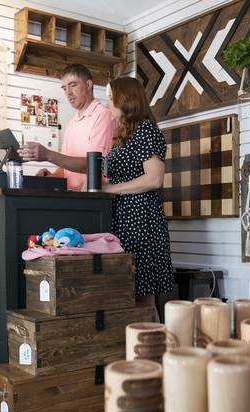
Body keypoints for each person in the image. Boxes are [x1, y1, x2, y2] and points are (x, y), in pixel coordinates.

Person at [103, 77, 174, 308]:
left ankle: (154, 343)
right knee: (129, 294)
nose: (108, 105)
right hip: (124, 219)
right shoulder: (124, 136)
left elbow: (154, 178)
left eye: (111, 100)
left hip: (140, 220)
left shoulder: (146, 131)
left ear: (126, 100)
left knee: (142, 296)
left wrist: (111, 189)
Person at [18, 64, 117, 191]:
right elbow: (65, 170)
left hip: (95, 199)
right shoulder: (72, 123)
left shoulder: (103, 116)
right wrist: (51, 178)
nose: (68, 93)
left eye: (73, 85)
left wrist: (48, 155)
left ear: (88, 85)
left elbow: (94, 165)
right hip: (73, 198)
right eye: (64, 88)